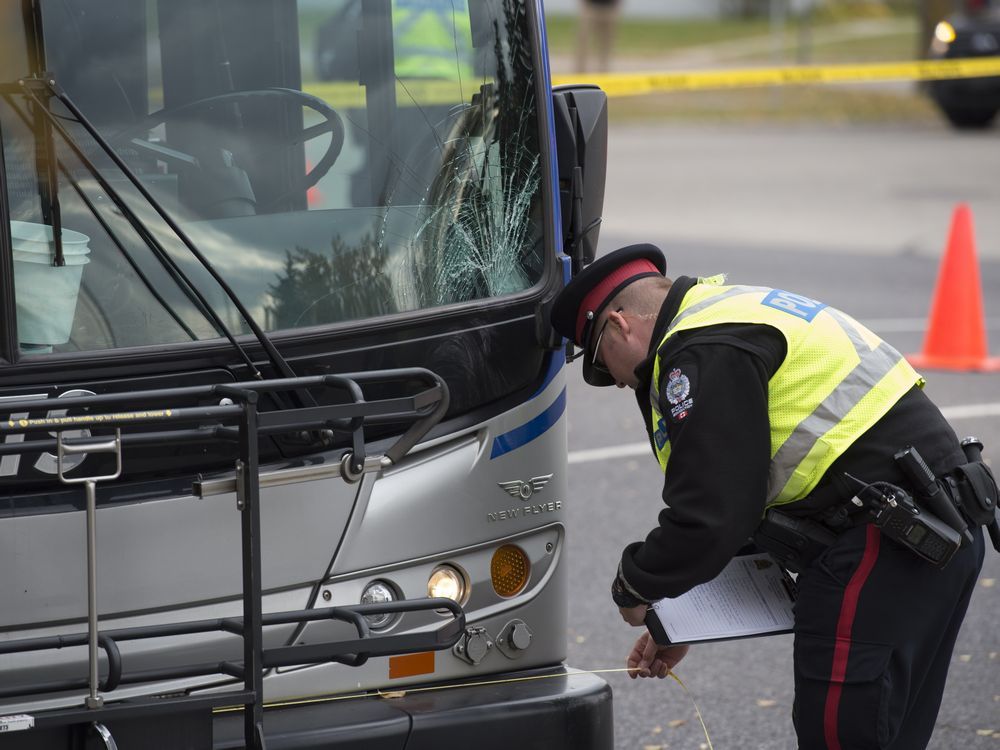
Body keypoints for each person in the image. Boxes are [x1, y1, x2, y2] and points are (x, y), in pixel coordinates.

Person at [550, 243, 995, 749]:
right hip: (932, 535)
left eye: (603, 361)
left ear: (619, 324)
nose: (617, 380)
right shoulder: (734, 312)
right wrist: (682, 615)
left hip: (882, 544)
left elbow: (713, 511)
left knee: (840, 737)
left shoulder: (697, 349)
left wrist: (636, 585)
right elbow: (751, 496)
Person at [575, 0, 622, 73]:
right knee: (583, 42)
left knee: (606, 44)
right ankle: (579, 72)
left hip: (609, 8)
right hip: (590, 8)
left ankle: (603, 72)